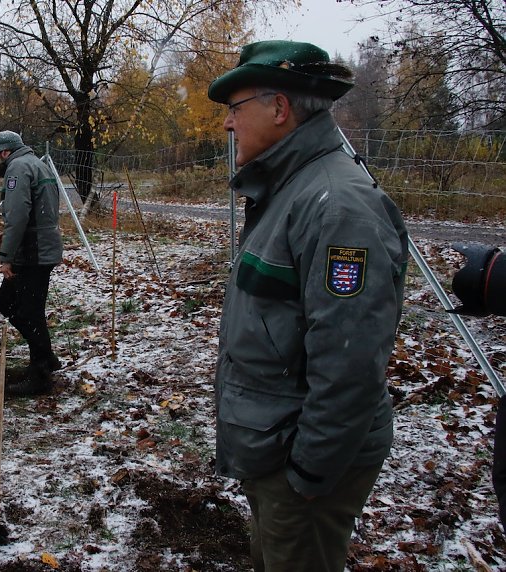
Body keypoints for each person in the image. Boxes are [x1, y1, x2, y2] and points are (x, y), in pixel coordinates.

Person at [207, 41, 409, 572]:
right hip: (276, 445)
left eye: (236, 108)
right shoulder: (291, 190)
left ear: (279, 109)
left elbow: (350, 359)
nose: (228, 125)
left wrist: (310, 474)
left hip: (302, 461)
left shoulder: (336, 206)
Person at [0, 130, 64, 396]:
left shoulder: (17, 168)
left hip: (31, 252)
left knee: (20, 308)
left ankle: (40, 374)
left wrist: (6, 257)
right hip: (42, 247)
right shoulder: (38, 164)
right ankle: (46, 357)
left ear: (4, 152)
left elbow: (18, 214)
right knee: (22, 306)